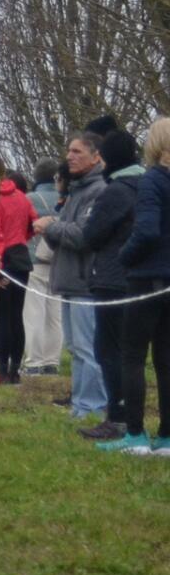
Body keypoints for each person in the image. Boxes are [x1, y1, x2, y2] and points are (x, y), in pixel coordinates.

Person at [78, 130, 145, 447]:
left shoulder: (116, 191)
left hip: (112, 277)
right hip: (138, 279)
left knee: (109, 350)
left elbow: (91, 235)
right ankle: (128, 417)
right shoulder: (147, 184)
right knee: (132, 353)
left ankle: (118, 417)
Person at [39, 131, 110, 424]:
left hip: (85, 282)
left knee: (88, 348)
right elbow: (65, 234)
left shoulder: (98, 191)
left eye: (77, 151)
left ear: (96, 157)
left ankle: (92, 406)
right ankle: (80, 406)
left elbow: (83, 235)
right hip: (70, 279)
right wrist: (51, 229)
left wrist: (51, 227)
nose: (70, 156)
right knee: (76, 349)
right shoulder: (76, 190)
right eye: (69, 150)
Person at [115, 118, 170, 454]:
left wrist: (125, 256)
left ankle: (134, 434)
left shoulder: (152, 180)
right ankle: (166, 437)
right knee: (166, 359)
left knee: (133, 355)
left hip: (147, 277)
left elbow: (147, 230)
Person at [0, 154, 35, 386]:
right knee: (16, 316)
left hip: (2, 260)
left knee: (2, 318)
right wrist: (21, 238)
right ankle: (14, 371)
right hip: (21, 256)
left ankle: (2, 372)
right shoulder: (21, 196)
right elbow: (33, 223)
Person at [22, 159, 65, 377]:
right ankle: (52, 362)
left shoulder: (29, 199)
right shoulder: (66, 199)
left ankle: (34, 363)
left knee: (34, 314)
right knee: (55, 316)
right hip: (60, 261)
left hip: (34, 260)